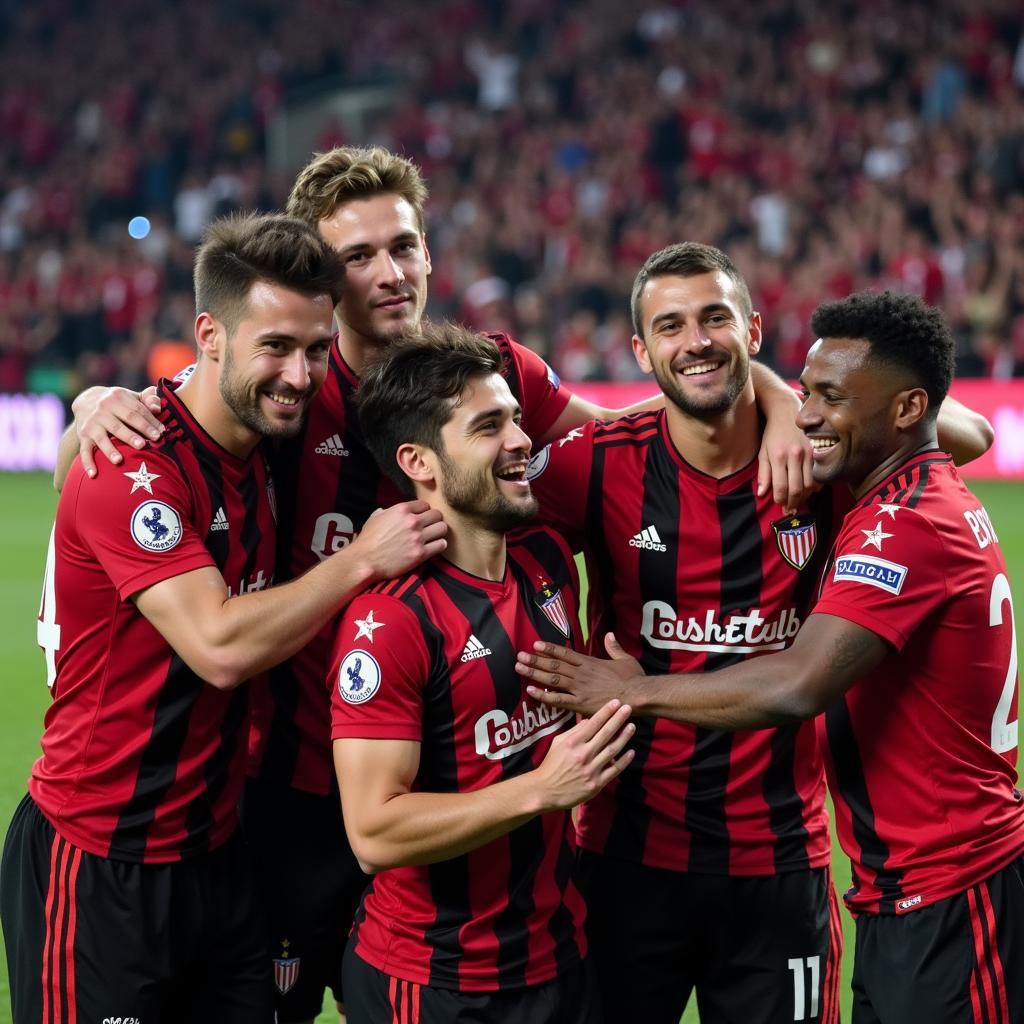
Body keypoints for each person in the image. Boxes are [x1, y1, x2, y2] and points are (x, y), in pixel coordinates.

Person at [53, 147, 818, 1024]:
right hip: (297, 804)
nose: (390, 274)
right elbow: (143, 445)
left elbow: (646, 441)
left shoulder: (493, 372)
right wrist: (91, 407)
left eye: (406, 247)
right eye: (359, 257)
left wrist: (774, 392)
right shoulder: (286, 389)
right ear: (318, 275)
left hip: (478, 820)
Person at [518, 244, 994, 1023]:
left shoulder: (828, 455)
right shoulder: (598, 463)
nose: (695, 341)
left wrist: (780, 402)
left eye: (715, 318)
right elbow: (479, 521)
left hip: (780, 862)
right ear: (640, 352)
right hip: (626, 855)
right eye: (668, 326)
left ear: (755, 328)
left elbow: (961, 433)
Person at [0, 213, 446, 1024]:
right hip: (102, 854)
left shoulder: (262, 448)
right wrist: (360, 561)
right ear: (209, 334)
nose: (300, 375)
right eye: (274, 346)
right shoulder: (138, 461)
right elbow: (217, 645)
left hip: (218, 853)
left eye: (315, 349)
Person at [330, 322, 635, 1023]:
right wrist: (542, 789)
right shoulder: (389, 623)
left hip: (561, 961)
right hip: (433, 985)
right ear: (421, 461)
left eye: (518, 420)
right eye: (489, 426)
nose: (522, 441)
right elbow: (374, 833)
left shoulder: (550, 562)